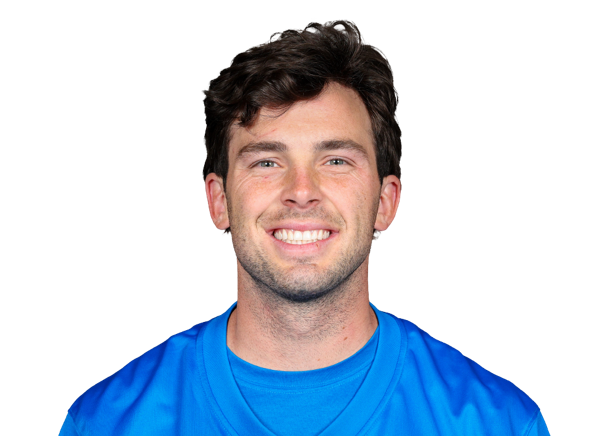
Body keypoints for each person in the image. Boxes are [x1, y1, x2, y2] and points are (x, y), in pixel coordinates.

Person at [59, 20, 550, 435]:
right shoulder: (103, 423)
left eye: (336, 160)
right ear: (218, 201)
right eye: (267, 162)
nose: (301, 191)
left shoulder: (500, 423)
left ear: (385, 202)